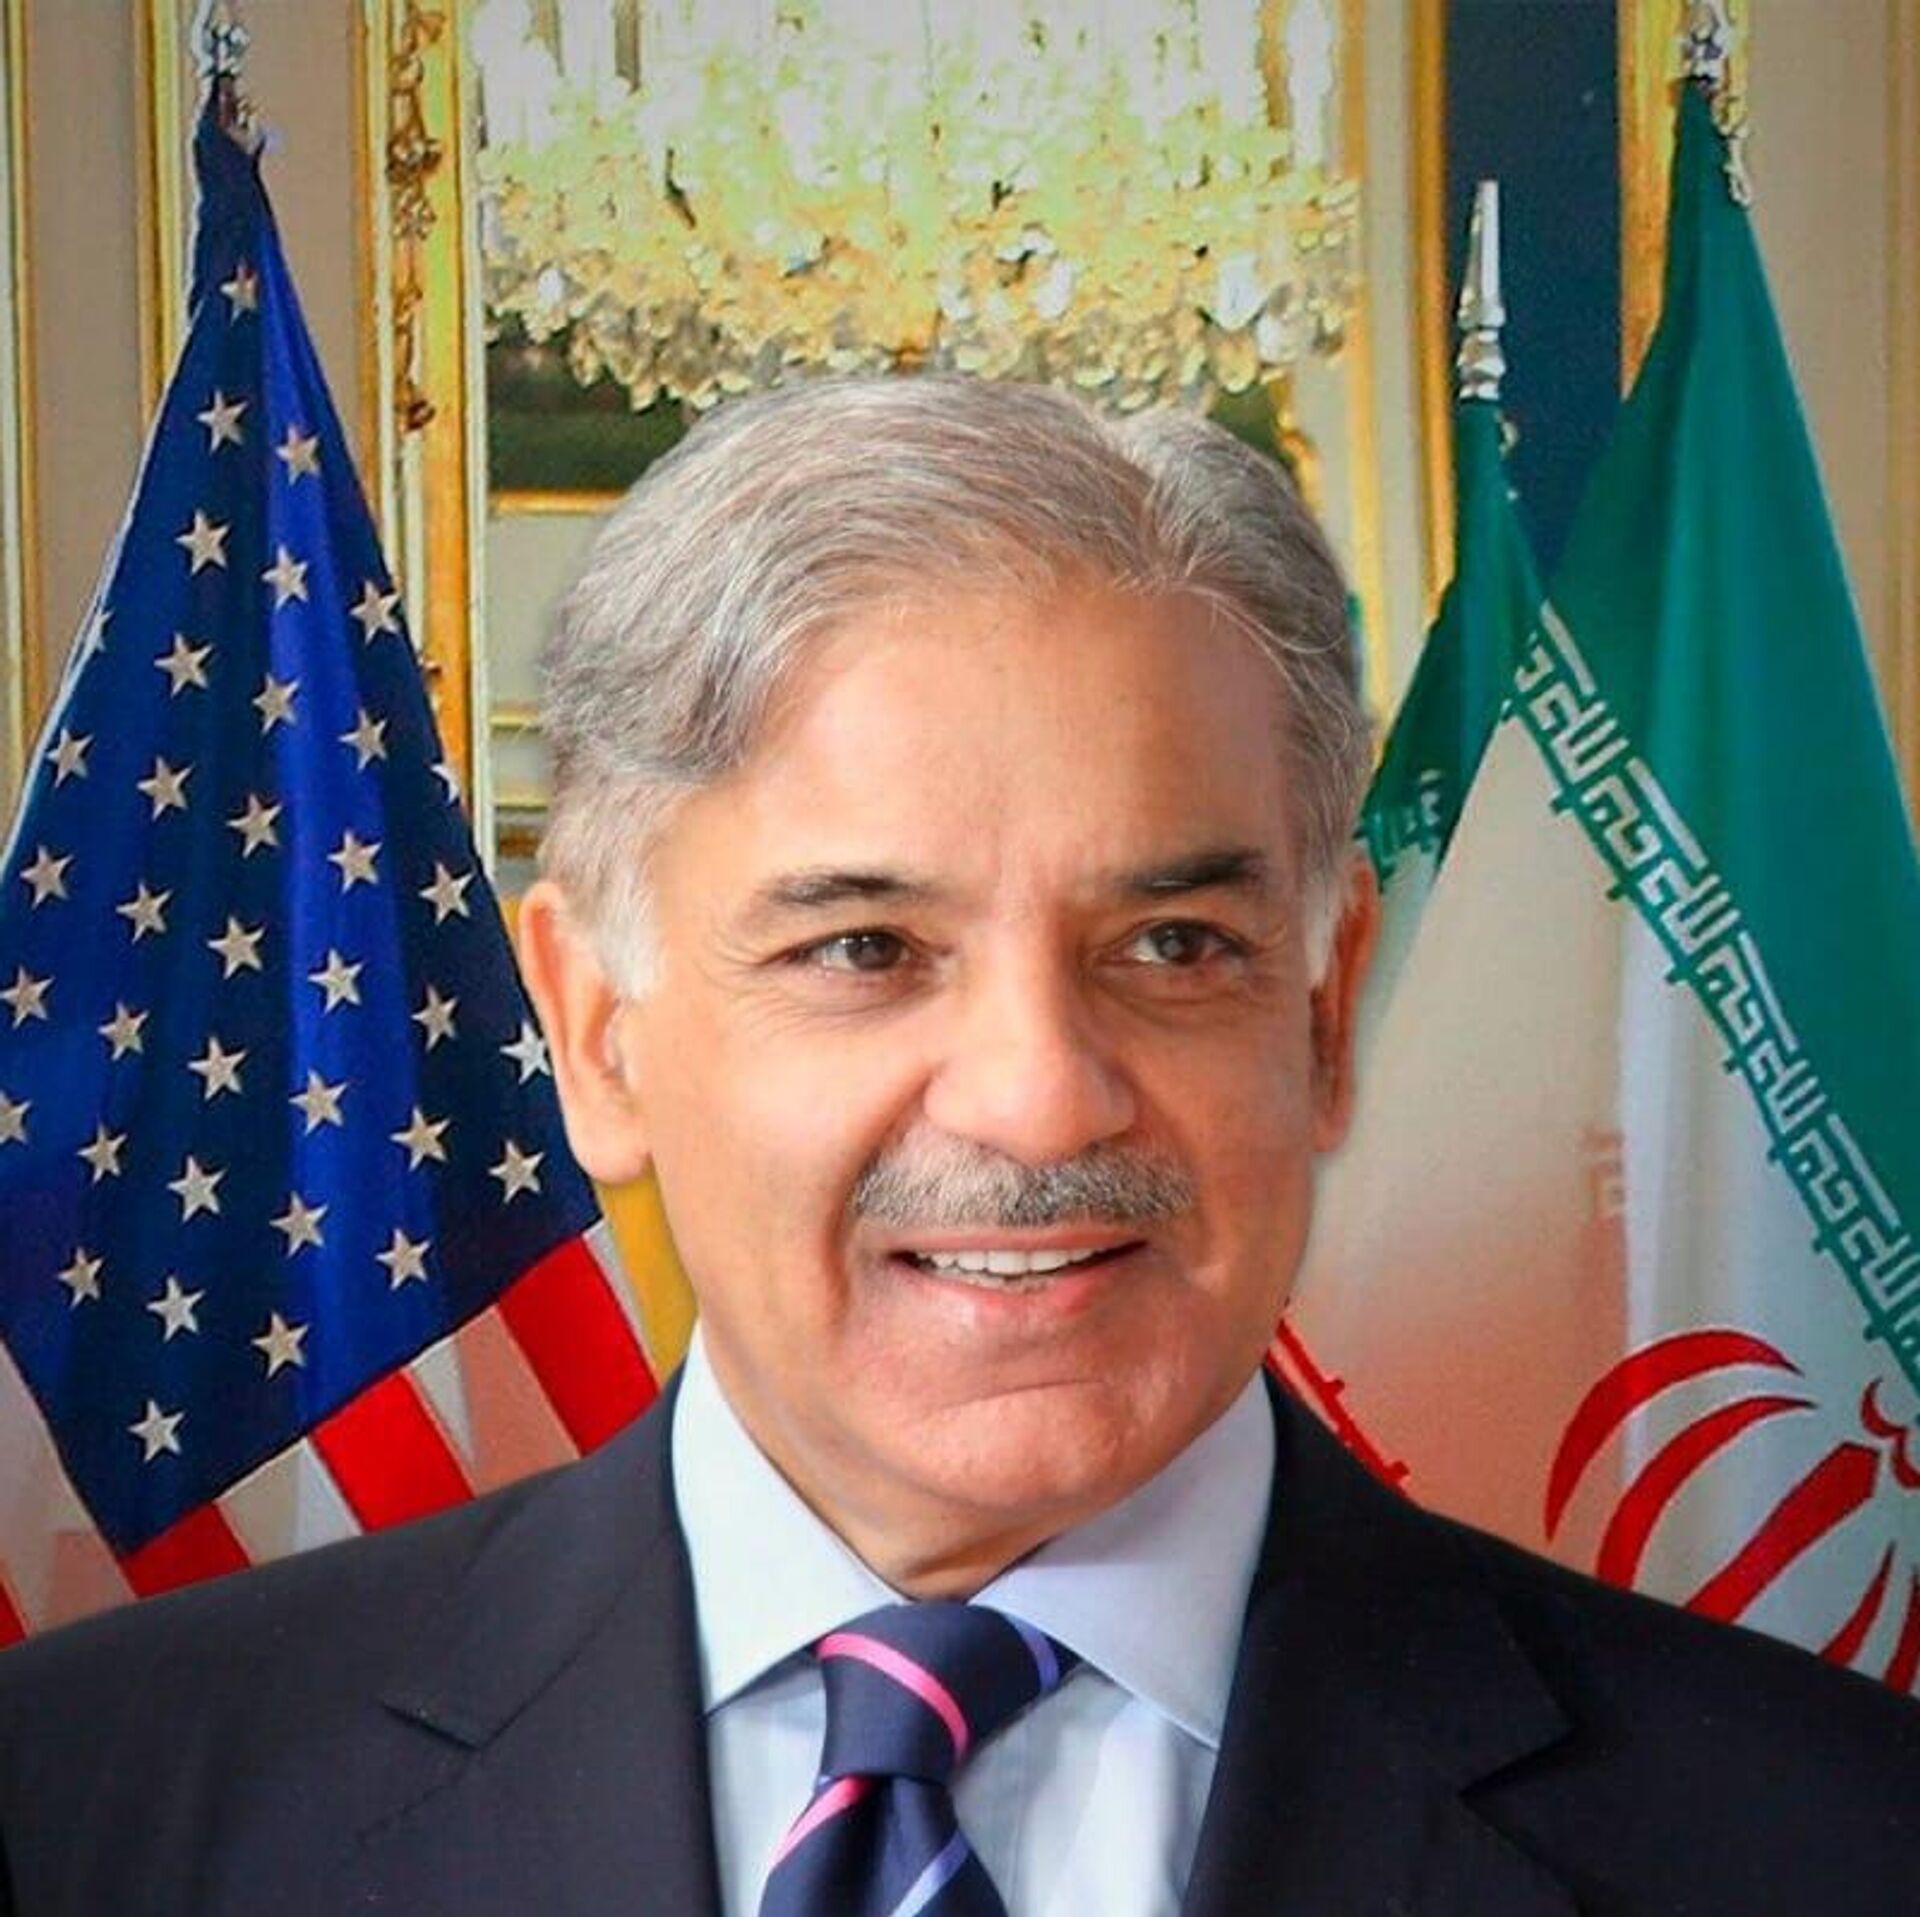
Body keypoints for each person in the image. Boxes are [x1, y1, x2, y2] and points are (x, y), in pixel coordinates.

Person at [0, 375, 1914, 1915]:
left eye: (1175, 945)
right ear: (596, 1032)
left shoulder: (1833, 1843)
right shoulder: (90, 1811)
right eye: (865, 949)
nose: (1040, 1095)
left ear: (1327, 1009)